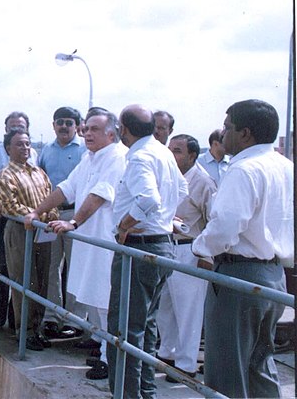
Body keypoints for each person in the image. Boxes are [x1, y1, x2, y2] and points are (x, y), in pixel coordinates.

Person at [192, 99, 293, 398]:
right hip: (273, 274)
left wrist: (200, 246)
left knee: (226, 372)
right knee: (260, 366)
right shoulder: (285, 166)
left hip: (239, 275)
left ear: (245, 133)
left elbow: (225, 225)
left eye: (227, 127)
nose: (223, 134)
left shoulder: (243, 170)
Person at [30, 107, 127, 379]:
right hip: (88, 242)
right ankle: (105, 353)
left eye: (94, 129)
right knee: (92, 300)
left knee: (105, 301)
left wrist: (73, 222)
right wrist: (37, 211)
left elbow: (99, 196)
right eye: (86, 129)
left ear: (111, 133)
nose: (87, 133)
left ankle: (111, 362)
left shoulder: (117, 157)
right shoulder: (90, 157)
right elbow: (66, 188)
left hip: (104, 241)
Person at [107, 104, 187, 398]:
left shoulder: (140, 157)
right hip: (162, 245)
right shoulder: (163, 152)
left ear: (123, 129)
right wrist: (166, 218)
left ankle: (127, 394)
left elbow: (148, 200)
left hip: (141, 250)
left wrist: (124, 227)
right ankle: (145, 392)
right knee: (147, 326)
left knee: (125, 328)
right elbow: (182, 190)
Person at [156, 134, 216, 382]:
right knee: (165, 307)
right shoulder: (170, 177)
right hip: (167, 246)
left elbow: (214, 220)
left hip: (190, 249)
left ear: (192, 155)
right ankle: (167, 353)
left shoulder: (203, 182)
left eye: (178, 151)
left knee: (188, 311)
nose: (172, 155)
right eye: (170, 150)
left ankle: (187, 363)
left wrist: (208, 256)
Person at [0, 129, 57, 351]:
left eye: (27, 144)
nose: (25, 148)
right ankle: (25, 331)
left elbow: (51, 198)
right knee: (24, 281)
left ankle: (37, 328)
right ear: (8, 149)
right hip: (20, 232)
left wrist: (47, 216)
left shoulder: (39, 173)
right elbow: (12, 207)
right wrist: (40, 214)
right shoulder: (4, 176)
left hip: (41, 230)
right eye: (19, 144)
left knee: (42, 279)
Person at [0, 111, 38, 334]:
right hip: (2, 219)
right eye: (12, 127)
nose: (16, 131)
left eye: (21, 127)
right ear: (5, 130)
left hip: (25, 221)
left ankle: (16, 319)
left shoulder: (33, 154)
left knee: (22, 271)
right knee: (0, 267)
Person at [37, 106, 86, 340]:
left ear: (77, 125)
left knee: (76, 268)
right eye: (60, 122)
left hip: (77, 216)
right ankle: (52, 316)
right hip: (53, 215)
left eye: (69, 122)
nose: (64, 126)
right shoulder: (46, 151)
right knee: (51, 267)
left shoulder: (86, 150)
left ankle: (75, 320)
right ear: (53, 125)